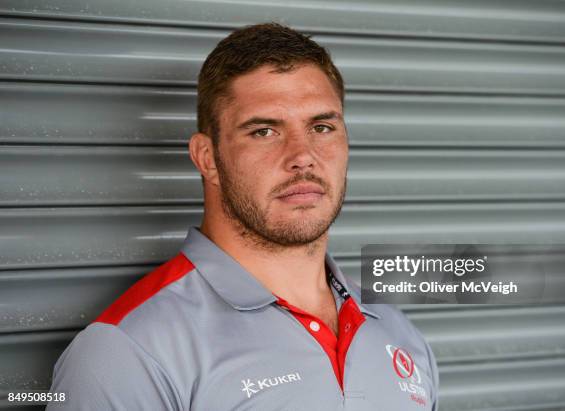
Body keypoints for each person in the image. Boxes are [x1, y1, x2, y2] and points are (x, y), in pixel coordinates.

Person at [47, 23, 439, 410]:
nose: (303, 156)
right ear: (207, 158)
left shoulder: (397, 330)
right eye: (264, 131)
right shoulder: (128, 352)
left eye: (321, 127)